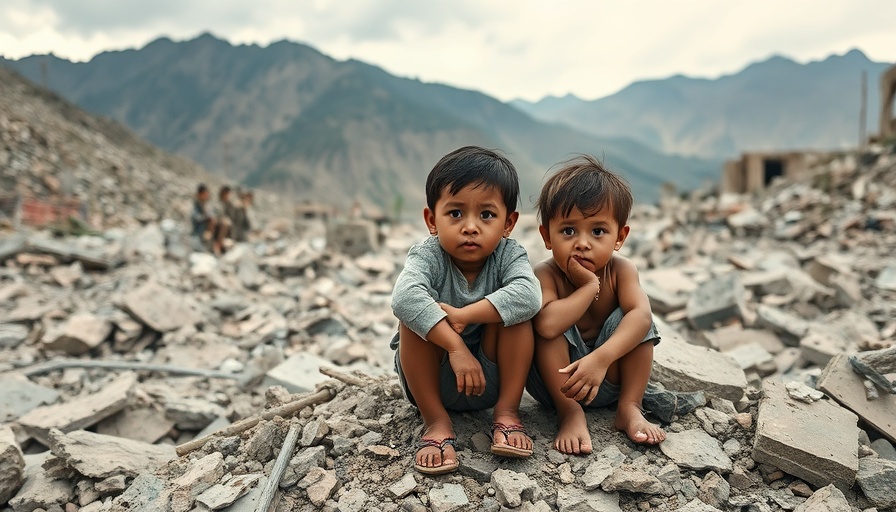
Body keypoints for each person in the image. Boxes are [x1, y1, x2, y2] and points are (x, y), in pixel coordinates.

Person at [390, 146, 542, 475]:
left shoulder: (509, 255)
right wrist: (455, 346)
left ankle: (507, 413)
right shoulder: (428, 256)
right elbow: (403, 297)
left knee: (516, 315)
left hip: (491, 380)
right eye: (456, 213)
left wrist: (464, 316)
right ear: (432, 220)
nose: (470, 226)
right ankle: (436, 423)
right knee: (412, 320)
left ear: (508, 223)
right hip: (435, 382)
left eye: (486, 215)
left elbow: (530, 296)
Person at [526, 155, 666, 455]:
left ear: (620, 237)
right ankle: (570, 414)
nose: (582, 243)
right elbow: (547, 326)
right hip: (558, 386)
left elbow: (642, 318)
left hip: (609, 377)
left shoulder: (622, 270)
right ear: (547, 236)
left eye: (598, 231)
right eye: (568, 231)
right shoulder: (546, 273)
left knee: (635, 316)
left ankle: (629, 407)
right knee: (548, 322)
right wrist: (589, 287)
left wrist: (600, 360)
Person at [190, 184, 214, 251]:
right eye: (204, 194)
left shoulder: (207, 204)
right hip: (197, 230)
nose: (206, 196)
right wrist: (206, 216)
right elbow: (195, 217)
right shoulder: (195, 204)